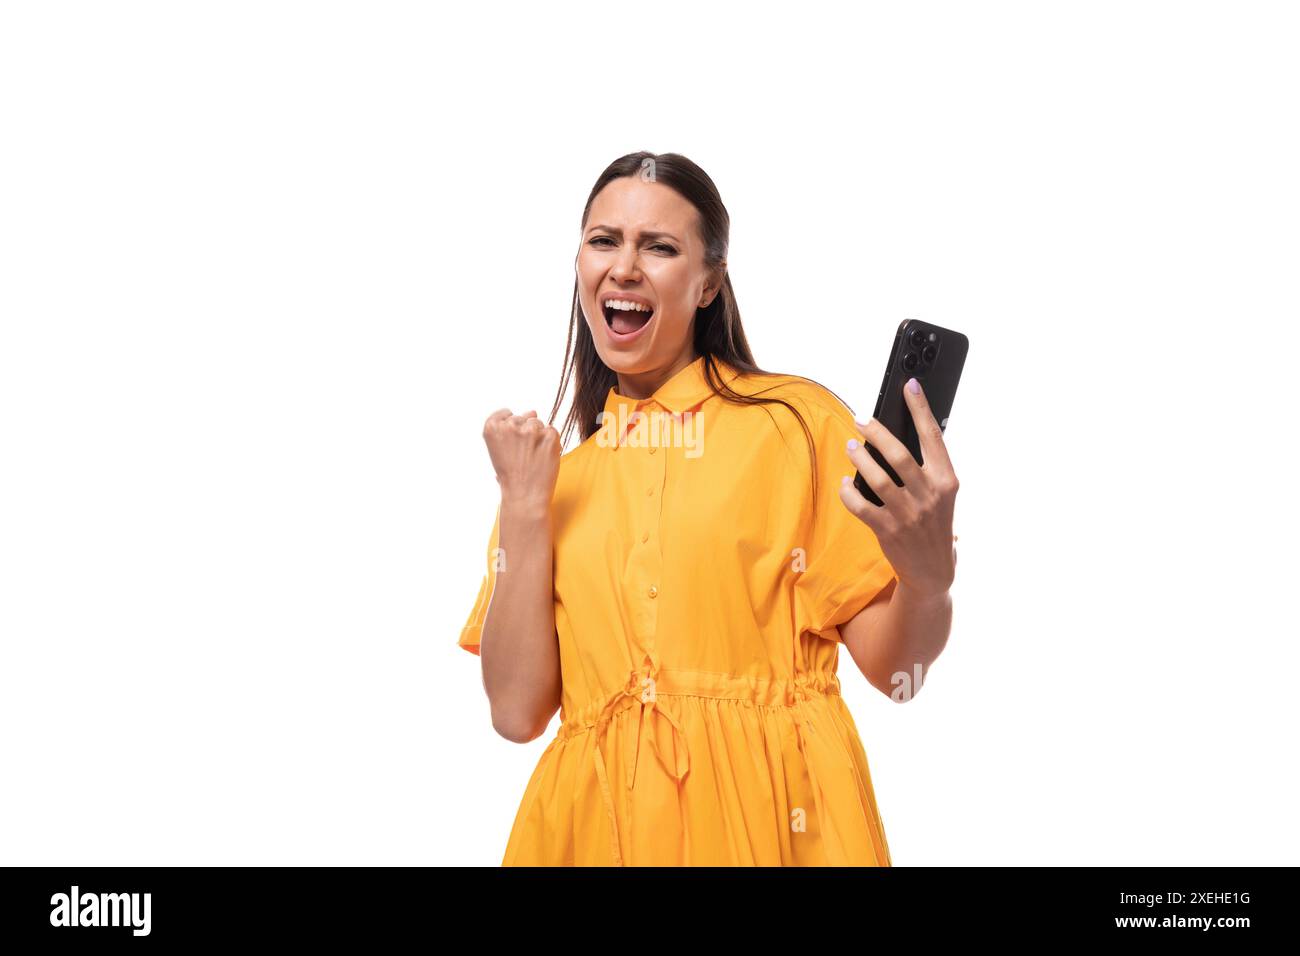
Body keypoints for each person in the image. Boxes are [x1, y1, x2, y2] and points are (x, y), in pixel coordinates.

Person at [457, 151, 958, 866]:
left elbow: (895, 668)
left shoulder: (796, 425)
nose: (625, 267)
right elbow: (515, 714)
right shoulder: (548, 484)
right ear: (579, 265)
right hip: (593, 838)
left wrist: (927, 579)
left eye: (659, 247)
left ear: (707, 284)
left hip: (777, 826)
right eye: (604, 241)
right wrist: (524, 510)